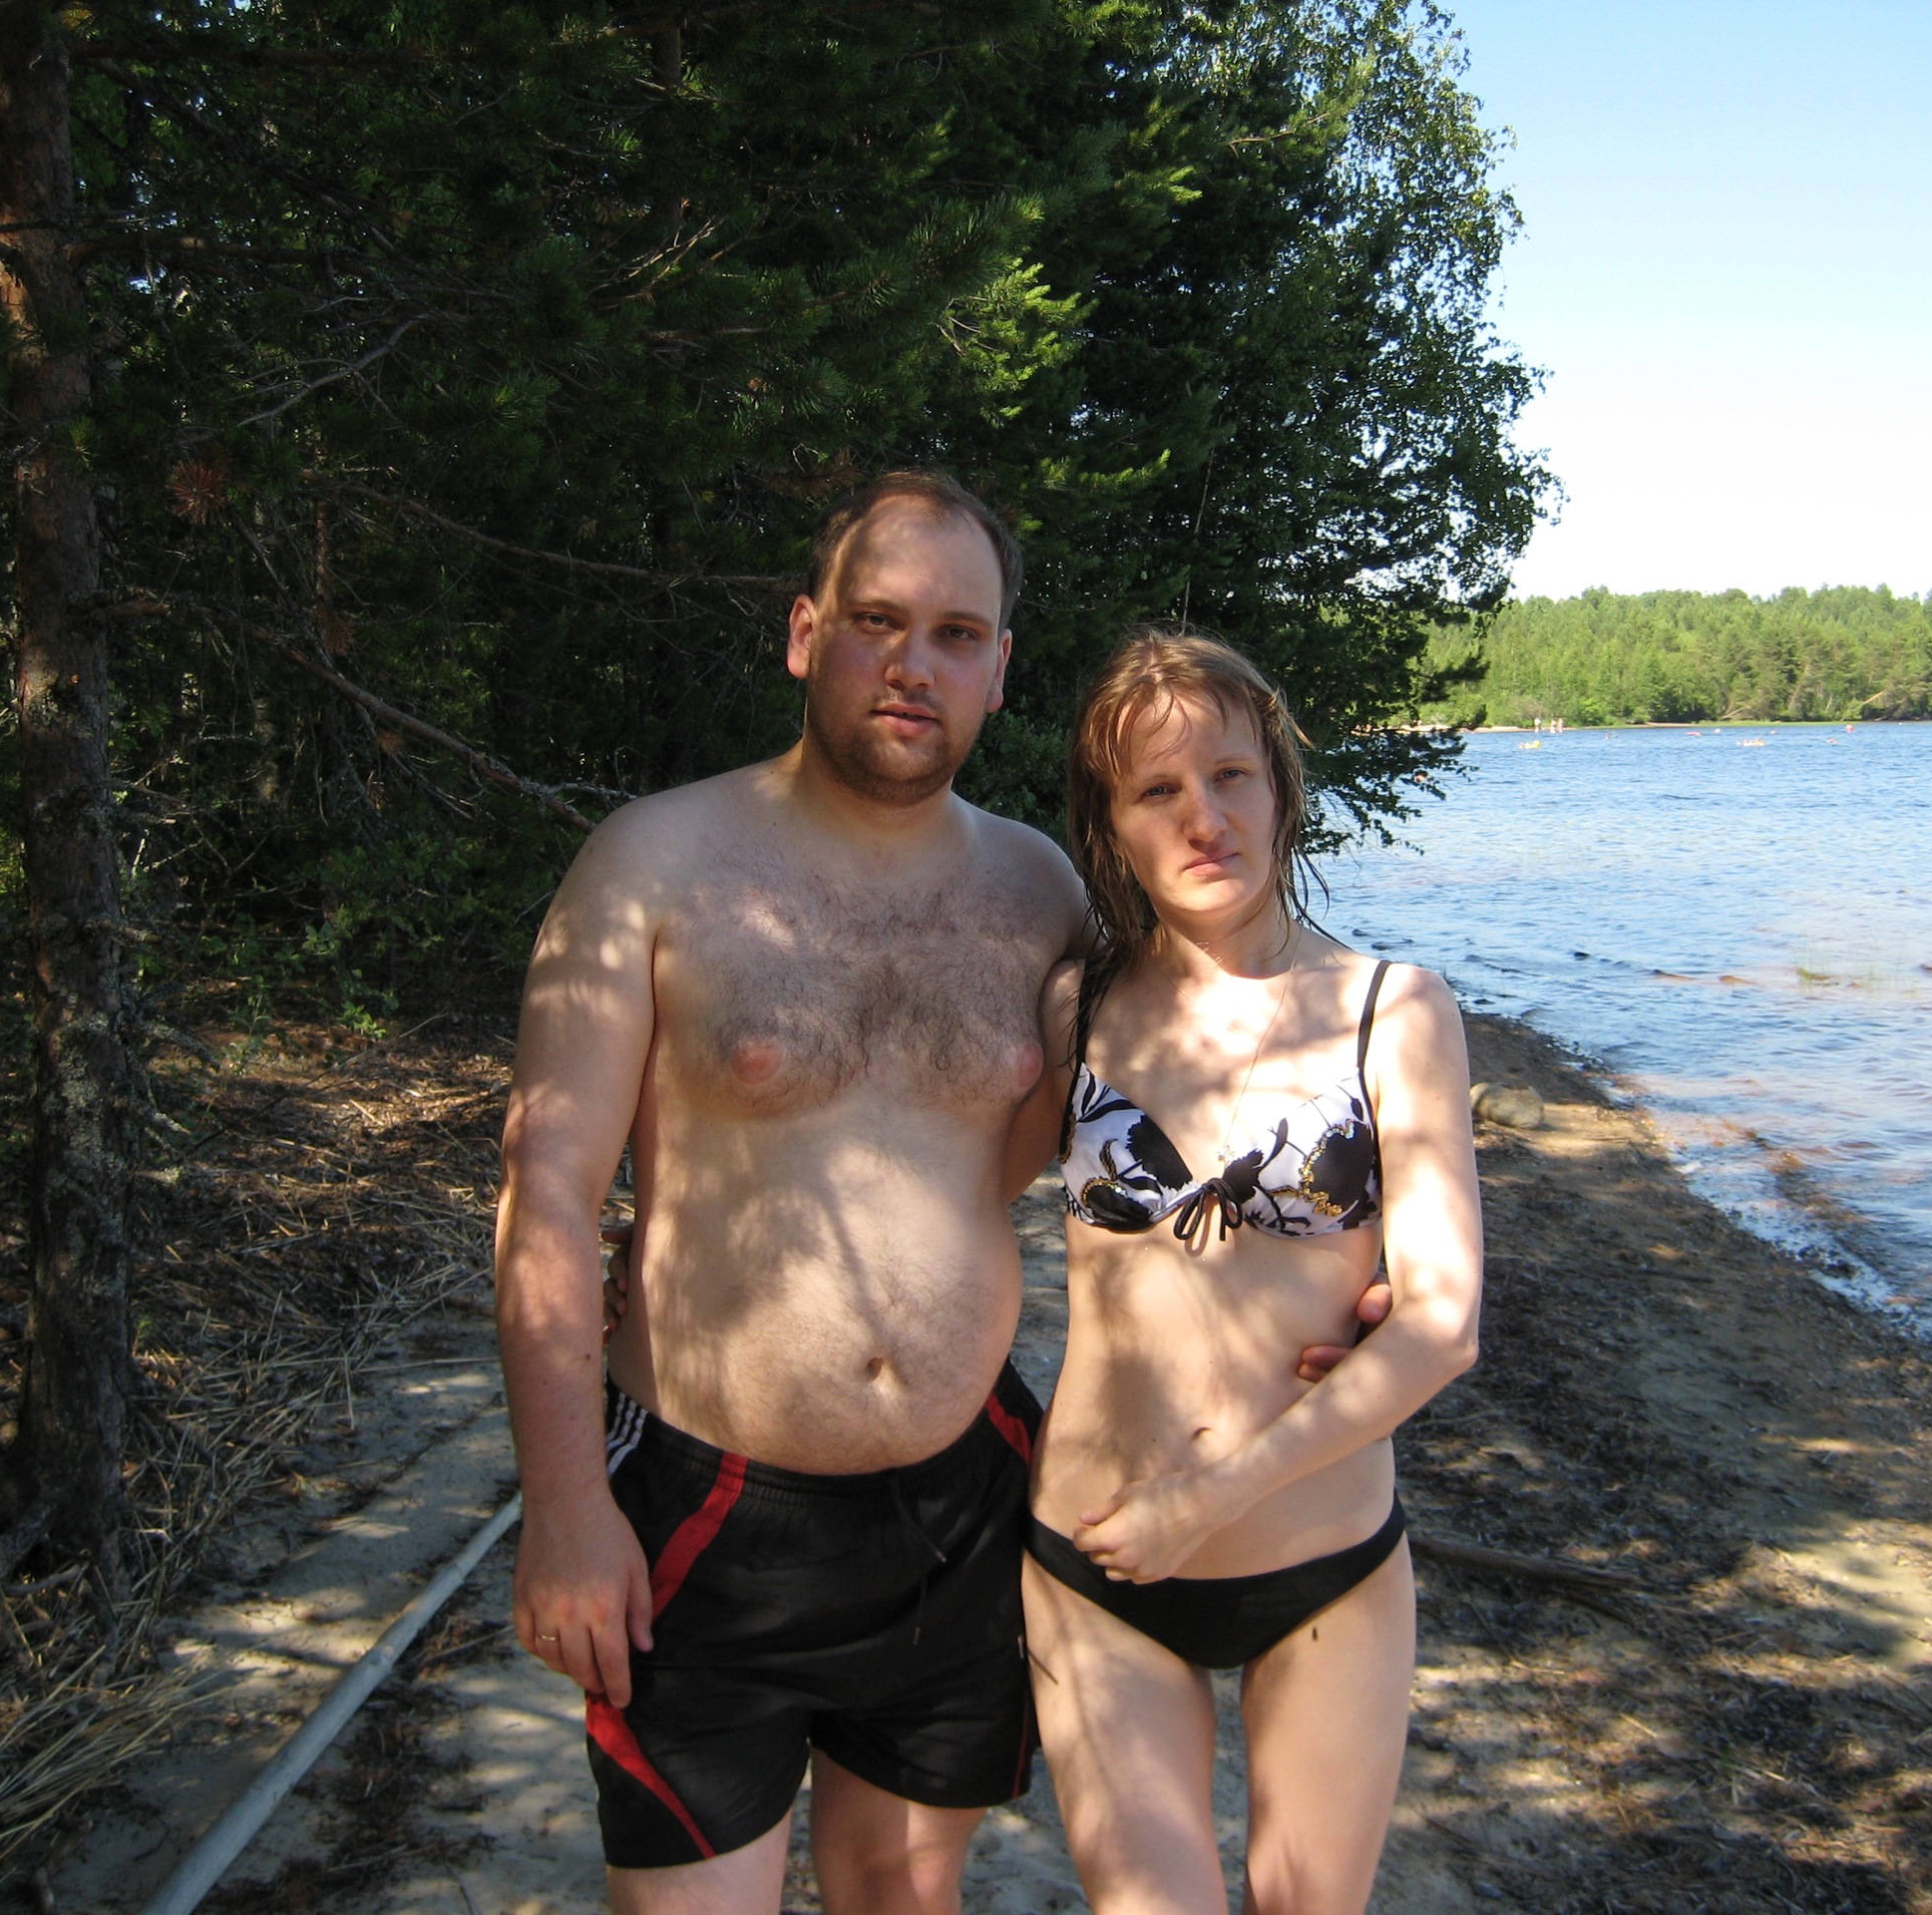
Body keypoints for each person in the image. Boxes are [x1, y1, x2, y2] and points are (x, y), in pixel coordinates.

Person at [494, 477, 1369, 1915]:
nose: (915, 663)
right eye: (878, 621)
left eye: (957, 633)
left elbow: (1198, 1107)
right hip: (707, 1508)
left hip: (961, 1510)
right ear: (804, 634)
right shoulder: (654, 862)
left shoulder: (1042, 892)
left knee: (904, 1896)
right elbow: (545, 1190)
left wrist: (1345, 1275)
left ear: (1000, 667)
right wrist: (563, 1508)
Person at [1021, 628, 1486, 1915]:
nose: (1203, 816)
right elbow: (933, 1192)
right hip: (1097, 1559)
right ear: (1112, 828)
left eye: (1231, 774)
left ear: (1281, 785)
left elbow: (1443, 1326)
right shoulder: (1075, 1009)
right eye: (1157, 789)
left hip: (1325, 1563)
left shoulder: (1396, 1011)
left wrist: (1213, 1497)